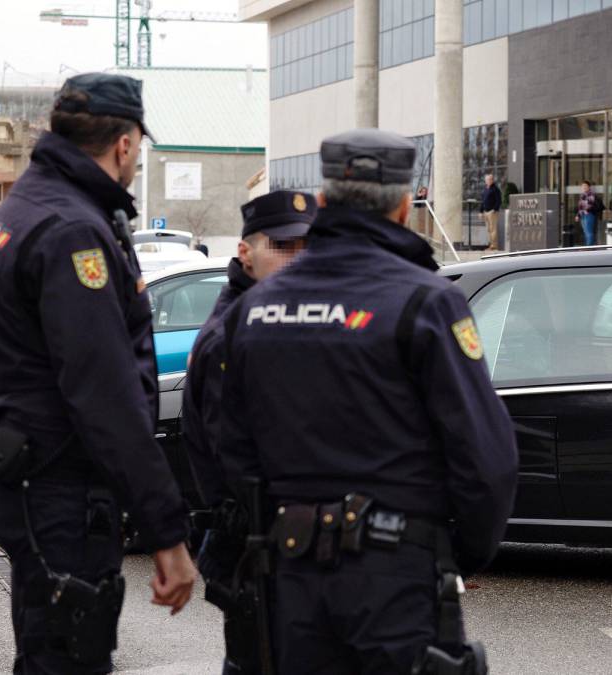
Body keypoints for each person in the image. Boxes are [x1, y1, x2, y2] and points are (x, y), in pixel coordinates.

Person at [218, 129, 519, 673]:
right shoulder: (428, 302)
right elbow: (486, 456)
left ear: (325, 205)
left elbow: (224, 444)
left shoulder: (254, 309)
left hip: (287, 576)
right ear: (405, 207)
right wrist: (454, 551)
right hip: (395, 576)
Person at [0, 72, 196, 674]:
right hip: (58, 489)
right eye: (138, 148)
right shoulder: (72, 230)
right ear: (125, 144)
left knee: (47, 651)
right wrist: (166, 533)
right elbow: (105, 394)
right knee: (66, 658)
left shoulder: (26, 206)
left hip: (31, 476)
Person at [181, 190, 312, 674]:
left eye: (306, 248)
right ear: (246, 254)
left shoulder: (278, 321)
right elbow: (233, 461)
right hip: (256, 545)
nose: (297, 260)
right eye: (283, 248)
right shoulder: (231, 335)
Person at [575, 180, 604, 246]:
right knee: (585, 232)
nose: (584, 187)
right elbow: (580, 207)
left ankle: (589, 247)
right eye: (582, 186)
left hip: (589, 215)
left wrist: (585, 211)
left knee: (589, 232)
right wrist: (578, 215)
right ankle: (588, 246)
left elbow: (590, 205)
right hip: (583, 215)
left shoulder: (591, 194)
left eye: (585, 186)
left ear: (589, 187)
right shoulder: (582, 195)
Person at [480, 174, 502, 252]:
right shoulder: (485, 189)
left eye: (490, 179)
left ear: (492, 180)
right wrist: (481, 211)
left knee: (493, 229)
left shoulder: (495, 189)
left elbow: (499, 201)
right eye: (487, 180)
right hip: (486, 212)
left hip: (492, 212)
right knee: (489, 229)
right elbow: (483, 201)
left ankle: (494, 246)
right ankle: (490, 245)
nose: (488, 181)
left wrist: (494, 209)